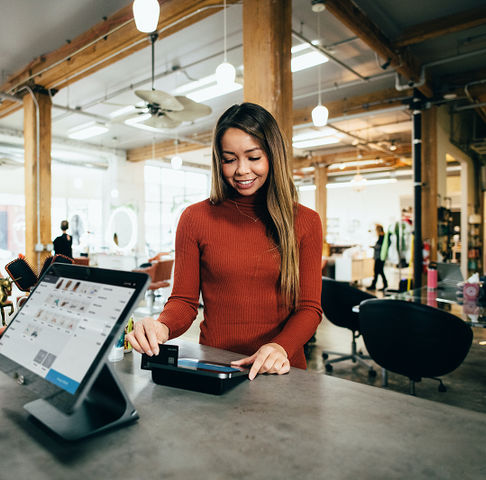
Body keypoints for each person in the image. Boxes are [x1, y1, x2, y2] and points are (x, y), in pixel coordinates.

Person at [127, 102, 323, 380]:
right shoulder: (195, 218)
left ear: (273, 156)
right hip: (216, 368)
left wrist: (281, 346)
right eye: (229, 159)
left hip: (281, 371)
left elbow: (309, 308)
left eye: (254, 157)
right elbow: (184, 301)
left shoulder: (305, 221)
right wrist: (162, 326)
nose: (241, 170)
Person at [367, 224, 388, 291]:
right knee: (379, 271)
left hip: (379, 257)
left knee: (377, 271)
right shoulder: (382, 236)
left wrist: (373, 247)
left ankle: (375, 285)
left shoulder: (382, 236)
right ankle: (383, 284)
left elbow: (380, 247)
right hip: (379, 257)